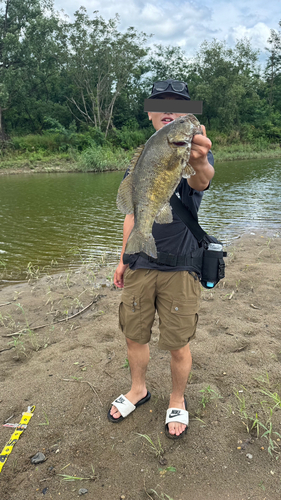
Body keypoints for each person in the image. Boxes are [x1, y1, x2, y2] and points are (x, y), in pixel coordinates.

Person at [108, 79, 214, 439]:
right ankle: (138, 389)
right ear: (151, 113)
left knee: (177, 341)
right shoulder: (144, 155)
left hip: (182, 264)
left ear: (190, 114)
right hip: (141, 262)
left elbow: (202, 180)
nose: (169, 109)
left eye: (180, 105)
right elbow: (132, 213)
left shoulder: (193, 150)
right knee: (133, 335)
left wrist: (198, 160)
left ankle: (177, 398)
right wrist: (124, 258)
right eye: (160, 104)